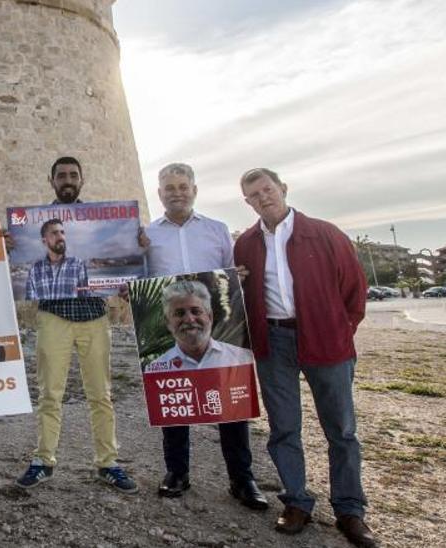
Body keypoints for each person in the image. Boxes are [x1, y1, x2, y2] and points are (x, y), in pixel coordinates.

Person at [234, 168, 375, 547]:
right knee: (283, 428)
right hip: (274, 341)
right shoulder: (245, 244)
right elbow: (240, 293)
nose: (263, 198)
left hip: (325, 340)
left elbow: (354, 290)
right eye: (254, 195)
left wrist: (341, 330)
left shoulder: (325, 233)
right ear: (247, 202)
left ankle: (350, 509)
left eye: (268, 189)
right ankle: (297, 502)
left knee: (341, 430)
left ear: (283, 188)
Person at [139, 163, 266, 509]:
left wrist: (238, 276)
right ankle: (176, 473)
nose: (176, 192)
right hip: (175, 326)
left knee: (231, 408)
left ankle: (242, 479)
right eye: (169, 188)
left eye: (182, 186)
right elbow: (143, 279)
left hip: (216, 327)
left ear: (194, 190)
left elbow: (231, 274)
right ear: (160, 193)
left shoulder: (217, 230)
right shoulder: (149, 236)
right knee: (175, 405)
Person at [15, 157, 138, 494]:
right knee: (49, 393)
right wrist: (9, 246)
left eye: (73, 175)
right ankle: (43, 460)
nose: (68, 180)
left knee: (101, 394)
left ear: (81, 180)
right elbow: (22, 276)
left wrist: (127, 279)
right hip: (54, 318)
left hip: (94, 318)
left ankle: (108, 463)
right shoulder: (34, 233)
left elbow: (115, 271)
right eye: (61, 176)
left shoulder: (93, 233)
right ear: (52, 180)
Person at [143, 280, 254, 373]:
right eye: (179, 313)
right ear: (167, 322)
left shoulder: (244, 359)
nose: (189, 319)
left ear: (210, 316)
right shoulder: (154, 371)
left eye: (196, 311)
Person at [25, 219, 89, 300]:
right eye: (55, 233)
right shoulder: (34, 270)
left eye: (62, 232)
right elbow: (30, 303)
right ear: (44, 241)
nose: (60, 237)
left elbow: (86, 299)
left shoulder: (78, 265)